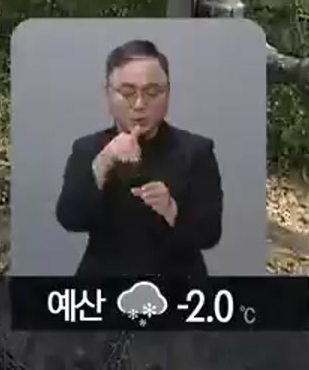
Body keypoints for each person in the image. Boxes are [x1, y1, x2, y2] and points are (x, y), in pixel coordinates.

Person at [53, 38, 223, 279]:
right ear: (108, 94)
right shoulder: (88, 149)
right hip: (104, 288)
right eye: (127, 93)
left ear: (168, 94)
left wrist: (171, 209)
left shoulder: (196, 150)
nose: (140, 104)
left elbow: (210, 233)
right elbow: (69, 218)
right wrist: (104, 161)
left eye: (153, 92)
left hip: (179, 289)